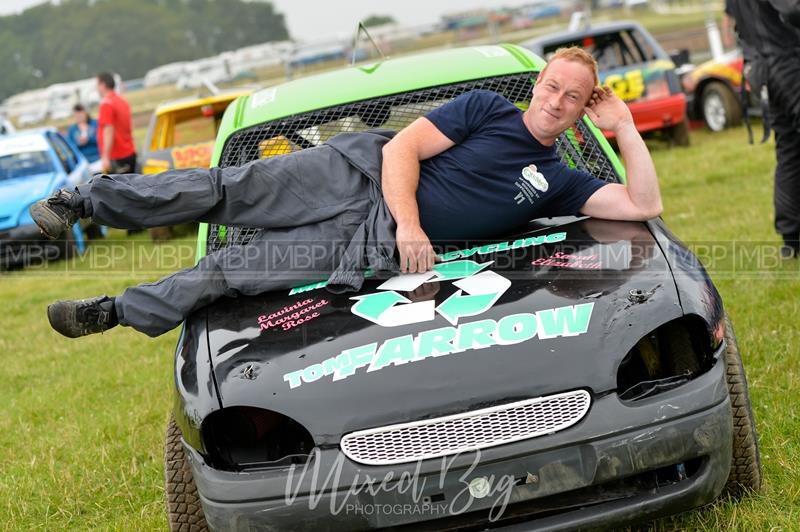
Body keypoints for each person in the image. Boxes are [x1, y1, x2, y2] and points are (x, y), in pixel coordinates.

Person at [30, 47, 662, 339]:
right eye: (552, 85)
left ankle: (112, 311)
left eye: (572, 97)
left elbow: (642, 207)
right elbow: (400, 150)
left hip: (366, 243)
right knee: (223, 190)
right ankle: (84, 201)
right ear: (538, 85)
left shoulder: (563, 180)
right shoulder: (486, 107)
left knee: (231, 271)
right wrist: (414, 226)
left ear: (583, 110)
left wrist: (628, 129)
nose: (556, 100)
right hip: (351, 174)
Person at [724, 0, 800, 258]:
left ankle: (791, 239)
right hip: (787, 59)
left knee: (789, 151)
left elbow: (737, 24)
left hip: (762, 67)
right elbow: (792, 9)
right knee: (789, 150)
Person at [96, 72, 137, 174]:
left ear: (103, 85)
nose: (96, 88)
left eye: (97, 85)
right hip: (129, 153)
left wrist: (105, 157)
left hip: (116, 157)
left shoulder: (106, 103)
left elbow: (108, 130)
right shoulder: (122, 101)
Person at [66, 103, 102, 174]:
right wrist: (79, 143)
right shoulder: (72, 129)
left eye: (81, 114)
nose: (79, 117)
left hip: (98, 159)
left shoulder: (95, 124)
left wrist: (89, 139)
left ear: (85, 113)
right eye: (77, 115)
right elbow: (69, 147)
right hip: (83, 163)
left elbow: (102, 139)